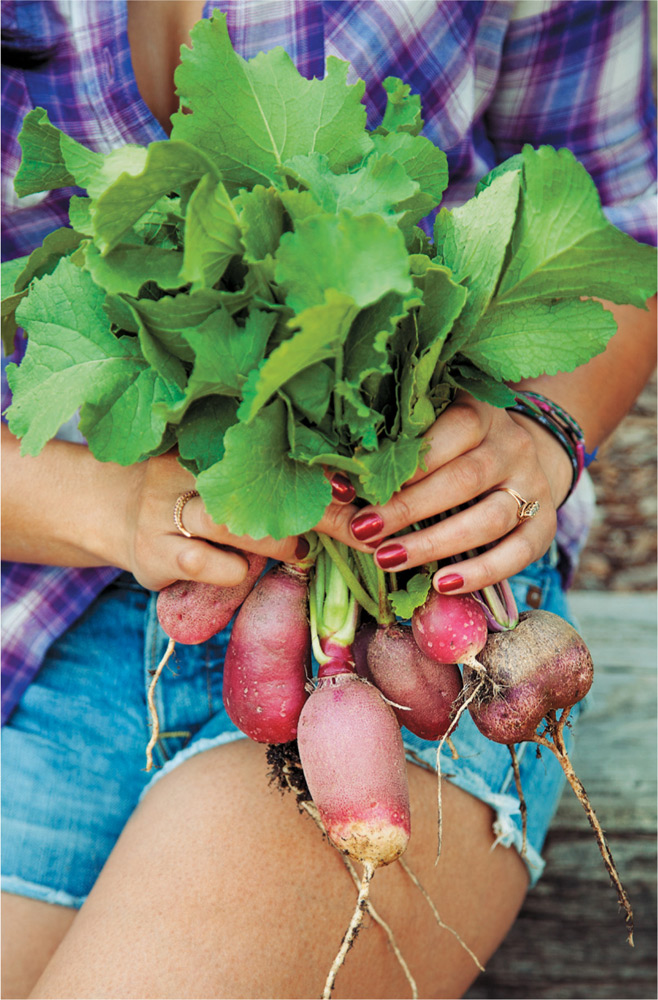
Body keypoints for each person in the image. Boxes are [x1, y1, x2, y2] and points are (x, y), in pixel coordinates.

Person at [1, 2, 655, 997]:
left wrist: (542, 433)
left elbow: (620, 221)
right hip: (39, 627)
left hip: (414, 629)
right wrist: (120, 505)